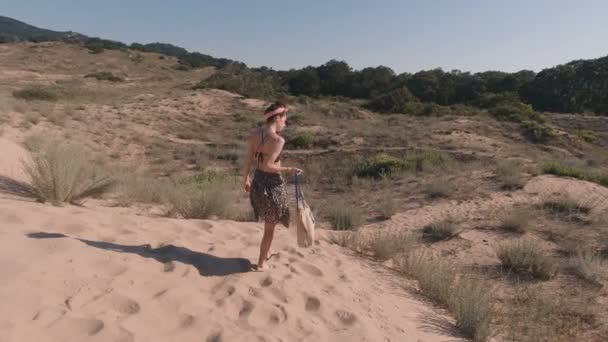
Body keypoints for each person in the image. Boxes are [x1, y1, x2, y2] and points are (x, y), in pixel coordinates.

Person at [242, 101, 302, 270]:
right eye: (284, 119)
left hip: (257, 182)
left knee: (270, 224)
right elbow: (269, 165)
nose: (285, 123)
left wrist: (245, 180)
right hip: (271, 186)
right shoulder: (278, 140)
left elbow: (248, 160)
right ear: (277, 118)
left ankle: (265, 253)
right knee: (270, 228)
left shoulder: (255, 134)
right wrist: (290, 169)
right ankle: (261, 263)